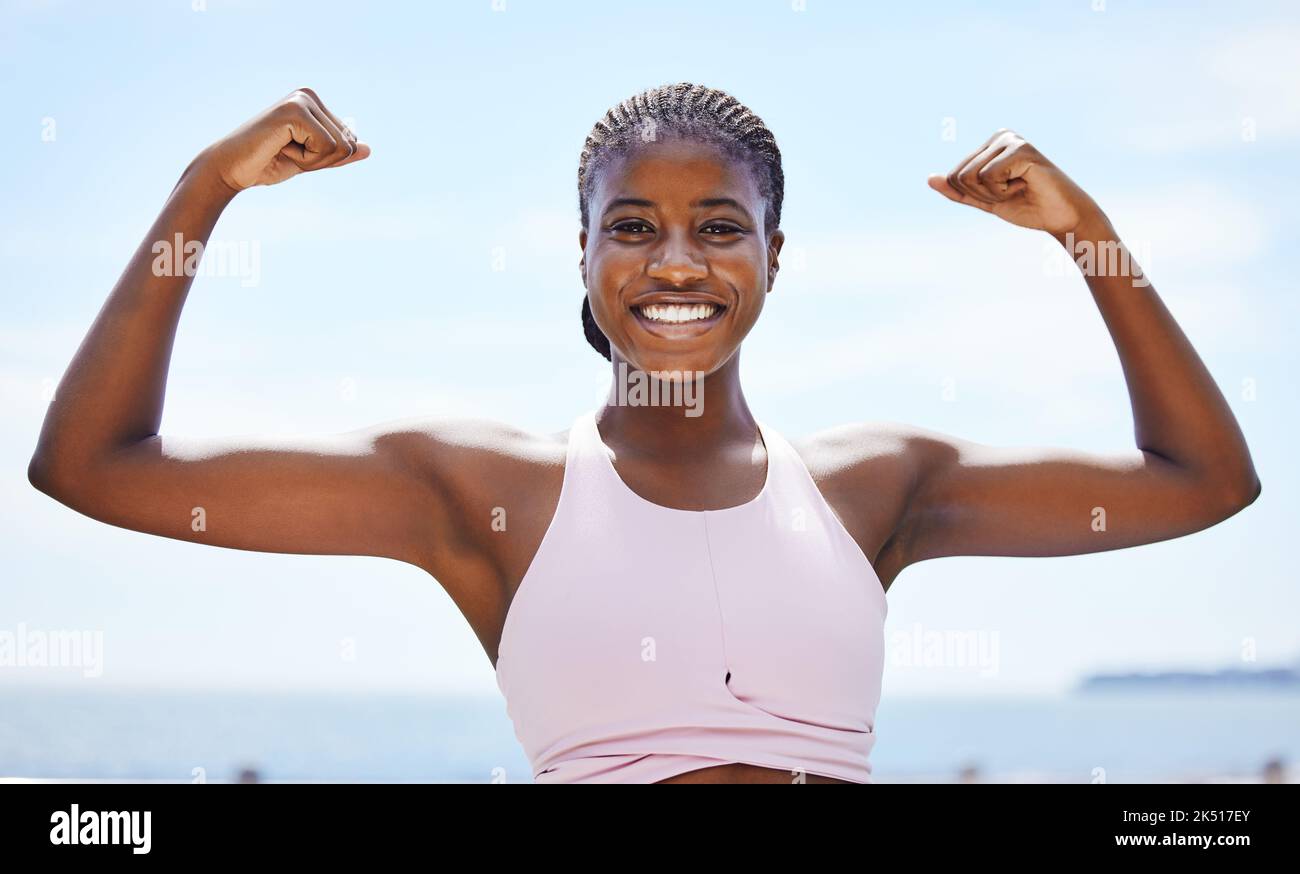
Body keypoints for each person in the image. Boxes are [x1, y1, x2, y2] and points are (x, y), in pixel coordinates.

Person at [28, 83, 1261, 784]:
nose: (677, 261)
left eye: (721, 226)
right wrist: (207, 186)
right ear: (583, 252)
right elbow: (91, 467)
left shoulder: (874, 487)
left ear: (776, 257)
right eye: (633, 227)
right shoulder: (489, 492)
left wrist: (1081, 232)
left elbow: (1203, 481)